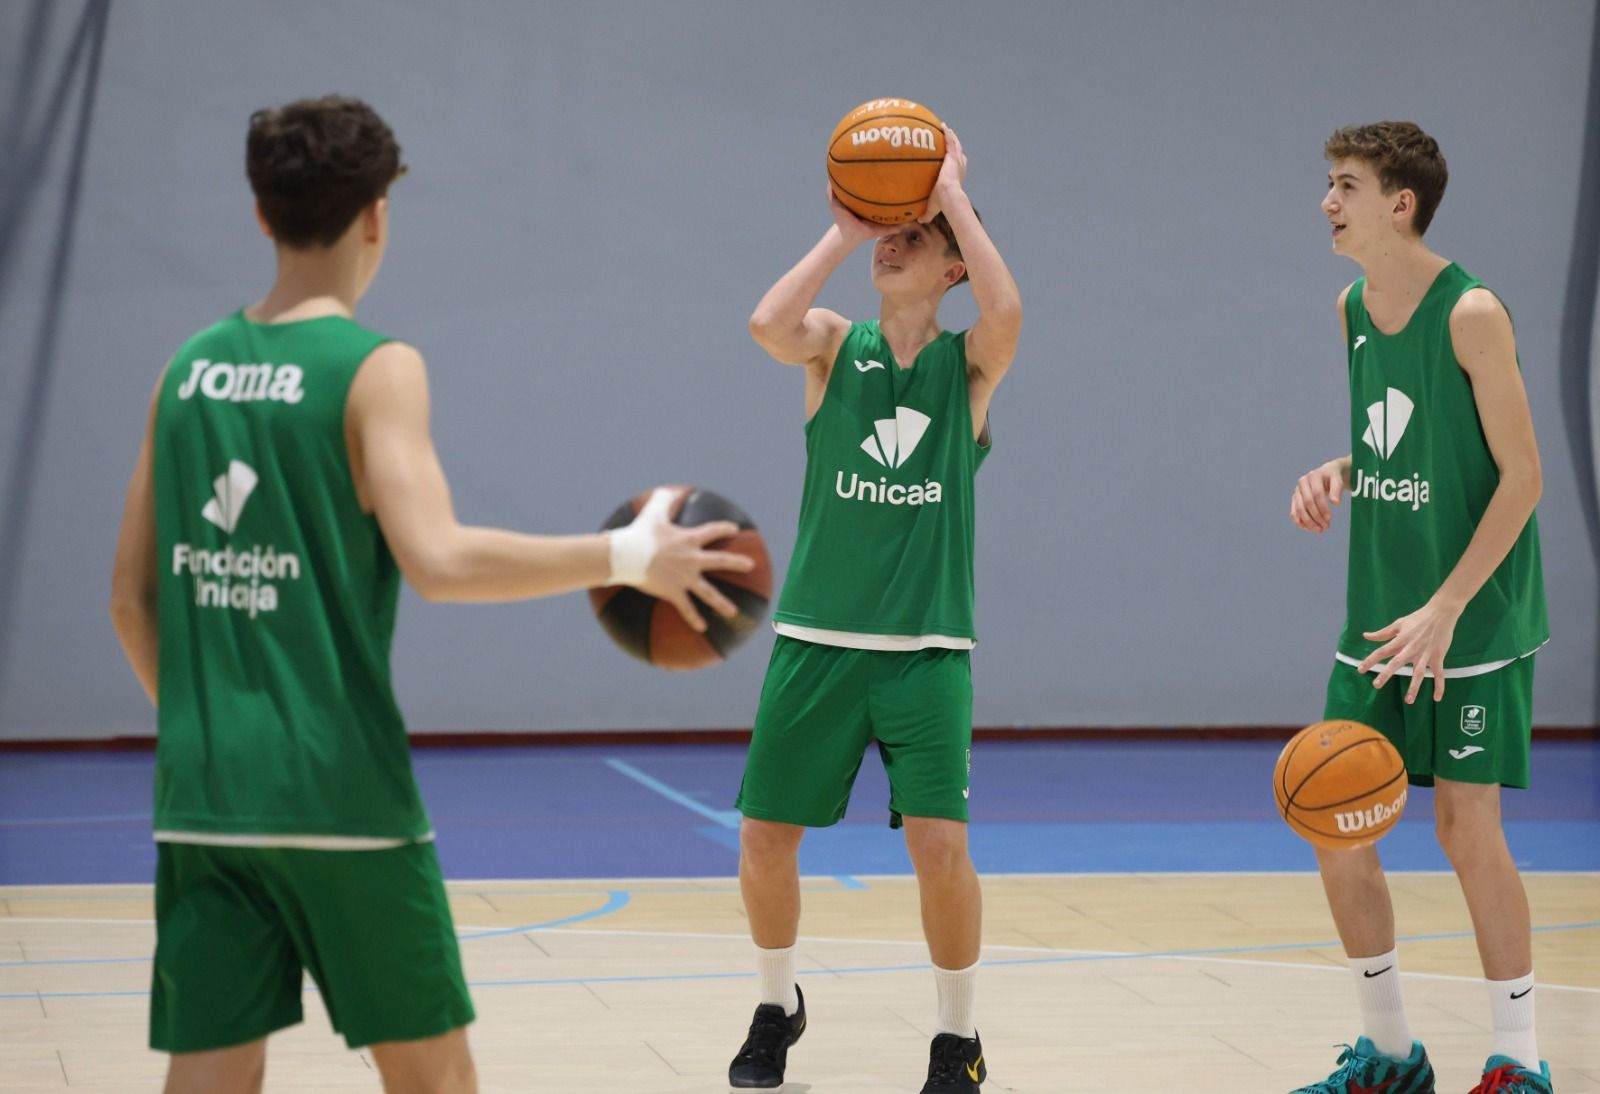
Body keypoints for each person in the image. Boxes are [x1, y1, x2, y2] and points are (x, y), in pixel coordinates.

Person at [108, 94, 751, 1094]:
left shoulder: (184, 373)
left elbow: (130, 601)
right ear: (377, 214)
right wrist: (628, 557)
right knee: (434, 1078)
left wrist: (217, 731)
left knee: (211, 1073)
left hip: (203, 791)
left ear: (262, 213)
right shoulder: (375, 369)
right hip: (338, 789)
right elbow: (440, 561)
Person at [728, 122, 1021, 1094]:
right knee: (765, 837)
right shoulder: (833, 346)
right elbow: (766, 324)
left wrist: (954, 198)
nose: (894, 245)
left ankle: (956, 1036)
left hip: (925, 650)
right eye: (889, 235)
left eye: (914, 238)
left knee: (940, 846)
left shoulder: (966, 369)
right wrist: (846, 231)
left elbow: (1008, 309)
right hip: (815, 640)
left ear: (950, 270)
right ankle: (775, 1004)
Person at [1289, 121, 1551, 1093]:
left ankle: (1519, 1060)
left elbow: (1521, 477)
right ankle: (1392, 1055)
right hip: (1381, 614)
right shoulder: (1352, 307)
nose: (1327, 201)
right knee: (1337, 824)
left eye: (1346, 185)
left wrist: (1446, 606)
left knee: (1463, 830)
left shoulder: (1470, 312)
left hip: (1471, 616)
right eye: (1329, 182)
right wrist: (1342, 467)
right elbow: (1403, 444)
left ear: (1400, 204)